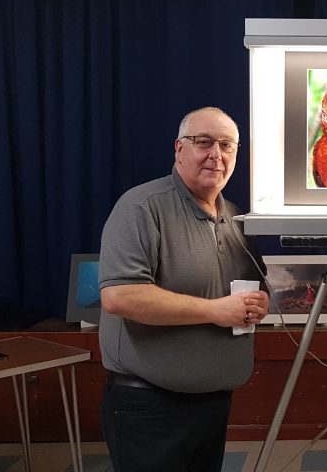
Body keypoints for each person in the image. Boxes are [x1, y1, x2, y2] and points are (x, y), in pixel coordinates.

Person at [98, 106, 270, 472]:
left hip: (213, 404)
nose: (216, 154)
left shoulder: (234, 217)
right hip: (150, 410)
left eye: (227, 145)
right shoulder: (141, 207)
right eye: (203, 142)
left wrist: (260, 302)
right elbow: (120, 296)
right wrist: (215, 310)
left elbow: (256, 285)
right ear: (179, 149)